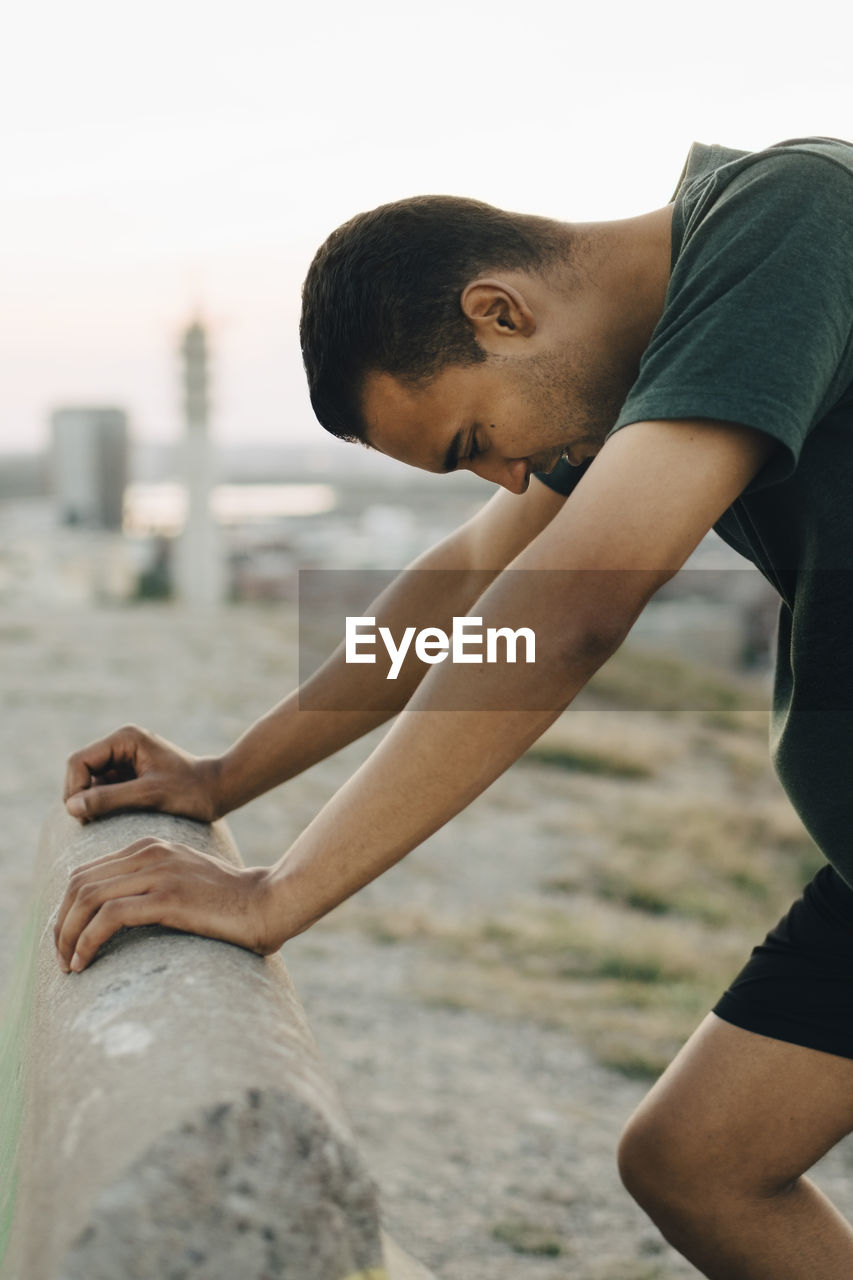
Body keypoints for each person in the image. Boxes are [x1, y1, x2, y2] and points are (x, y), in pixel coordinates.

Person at [55, 136, 853, 1278]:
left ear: (499, 311)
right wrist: (229, 775)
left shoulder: (796, 216)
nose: (512, 478)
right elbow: (468, 574)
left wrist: (275, 893)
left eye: (474, 441)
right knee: (696, 1160)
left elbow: (570, 613)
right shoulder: (631, 378)